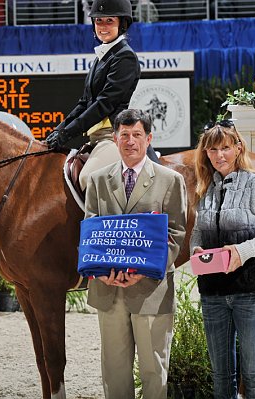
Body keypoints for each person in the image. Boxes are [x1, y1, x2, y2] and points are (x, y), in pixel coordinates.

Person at [84, 109, 187, 398]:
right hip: (108, 290)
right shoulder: (98, 180)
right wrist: (103, 272)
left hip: (150, 290)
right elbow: (92, 232)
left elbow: (177, 235)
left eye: (137, 135)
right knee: (114, 371)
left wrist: (143, 269)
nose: (130, 141)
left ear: (149, 138)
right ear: (115, 139)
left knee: (154, 371)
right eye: (124, 135)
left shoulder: (170, 180)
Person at [190, 120, 255, 398]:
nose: (219, 155)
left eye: (225, 148)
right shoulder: (204, 188)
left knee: (254, 376)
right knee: (221, 378)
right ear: (205, 153)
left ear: (238, 147)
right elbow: (197, 233)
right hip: (212, 294)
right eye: (213, 149)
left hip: (251, 294)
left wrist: (241, 252)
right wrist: (196, 249)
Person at [45, 0, 158, 191]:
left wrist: (67, 134)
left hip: (114, 136)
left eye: (109, 21)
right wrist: (58, 130)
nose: (102, 26)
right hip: (95, 138)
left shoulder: (125, 57)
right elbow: (84, 103)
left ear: (121, 24)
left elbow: (104, 104)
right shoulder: (102, 57)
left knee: (89, 178)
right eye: (98, 21)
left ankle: (107, 222)